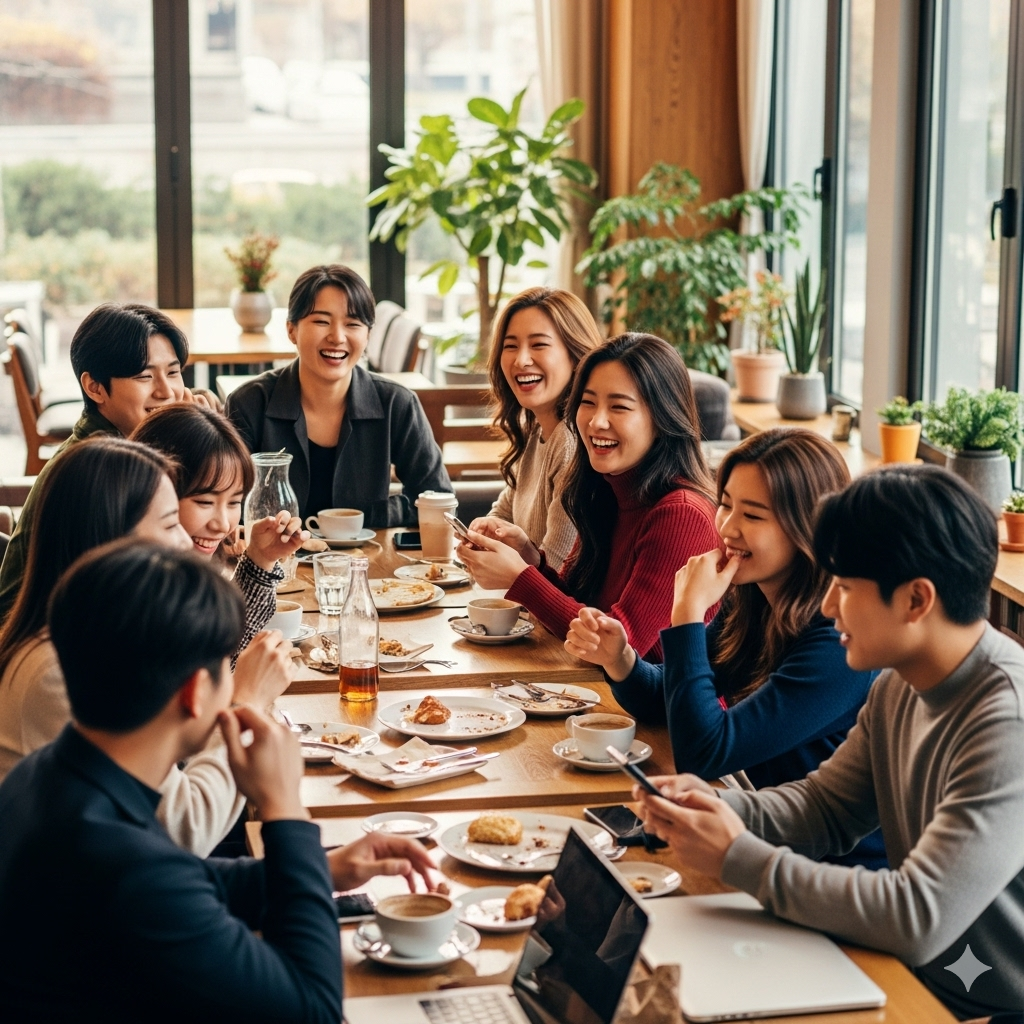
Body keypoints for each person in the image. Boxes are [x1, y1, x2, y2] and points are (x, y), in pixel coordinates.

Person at [632, 465, 1024, 1020]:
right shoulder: (899, 685)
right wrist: (714, 806)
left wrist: (736, 855)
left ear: (916, 601)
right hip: (909, 974)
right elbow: (825, 809)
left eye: (843, 586)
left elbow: (918, 915)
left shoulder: (1008, 717)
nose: (827, 606)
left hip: (985, 1005)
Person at [0, 541, 438, 1022]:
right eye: (226, 670)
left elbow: (183, 883)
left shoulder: (40, 777)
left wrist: (320, 869)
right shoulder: (126, 869)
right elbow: (313, 1008)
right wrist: (284, 806)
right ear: (195, 691)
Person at [565, 430, 882, 861]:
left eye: (752, 516)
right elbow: (671, 700)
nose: (727, 528)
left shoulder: (836, 642)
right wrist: (621, 659)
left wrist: (688, 615)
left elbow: (704, 753)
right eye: (727, 504)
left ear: (807, 529)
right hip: (750, 834)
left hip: (825, 872)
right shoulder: (755, 601)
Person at [0, 437, 293, 856]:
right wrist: (244, 700)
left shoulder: (97, 632)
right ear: (114, 537)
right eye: (171, 522)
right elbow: (182, 832)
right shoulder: (60, 666)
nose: (182, 541)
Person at [457, 333, 719, 663]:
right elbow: (582, 608)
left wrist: (519, 579)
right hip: (596, 696)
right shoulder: (605, 490)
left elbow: (619, 646)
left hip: (657, 712)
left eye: (619, 407)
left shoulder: (682, 515)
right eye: (588, 402)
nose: (596, 422)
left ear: (664, 417)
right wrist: (530, 560)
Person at [0, 302, 212, 622]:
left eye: (173, 372)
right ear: (94, 387)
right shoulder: (98, 469)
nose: (167, 391)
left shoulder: (129, 447)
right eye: (144, 376)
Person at [225, 264, 451, 525]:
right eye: (321, 321)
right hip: (277, 563)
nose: (337, 337)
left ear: (368, 336)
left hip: (368, 562)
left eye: (353, 324)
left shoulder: (396, 404)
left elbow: (440, 501)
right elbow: (227, 505)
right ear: (291, 330)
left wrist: (371, 514)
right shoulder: (249, 404)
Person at [131, 403, 307, 655]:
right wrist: (247, 696)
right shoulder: (135, 595)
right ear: (151, 489)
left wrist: (261, 558)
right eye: (205, 502)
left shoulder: (184, 574)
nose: (223, 524)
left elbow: (224, 652)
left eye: (234, 502)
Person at [469, 287, 602, 571]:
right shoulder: (536, 427)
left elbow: (557, 571)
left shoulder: (571, 442)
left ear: (576, 354)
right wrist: (483, 533)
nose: (521, 360)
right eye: (511, 345)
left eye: (539, 345)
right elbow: (506, 510)